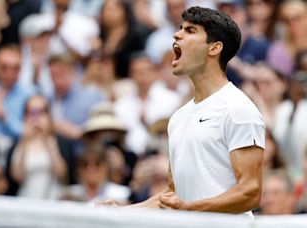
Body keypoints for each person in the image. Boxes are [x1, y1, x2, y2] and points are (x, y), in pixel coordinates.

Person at [101, 6, 265, 217]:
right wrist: (122, 211)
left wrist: (190, 208)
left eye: (190, 30)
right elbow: (173, 194)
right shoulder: (178, 118)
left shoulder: (238, 109)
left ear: (214, 48)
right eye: (180, 28)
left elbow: (250, 193)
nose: (177, 34)